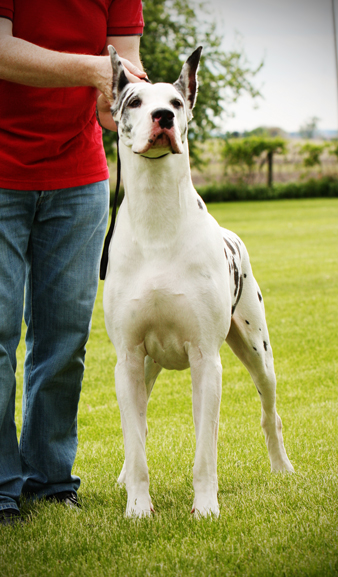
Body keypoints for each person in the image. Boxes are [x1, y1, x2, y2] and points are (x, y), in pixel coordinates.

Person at [0, 0, 146, 525]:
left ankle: (50, 480)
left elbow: (122, 62)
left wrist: (117, 101)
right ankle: (0, 490)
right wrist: (91, 69)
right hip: (0, 169)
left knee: (64, 339)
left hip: (79, 174)